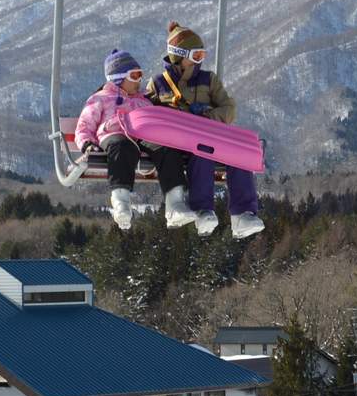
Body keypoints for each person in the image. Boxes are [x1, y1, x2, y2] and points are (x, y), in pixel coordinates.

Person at [144, 23, 263, 238]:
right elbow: (148, 115)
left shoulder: (209, 80)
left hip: (207, 136)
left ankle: (244, 214)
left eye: (202, 54)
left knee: (238, 154)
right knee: (203, 152)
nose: (200, 60)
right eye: (196, 55)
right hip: (176, 143)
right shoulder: (158, 83)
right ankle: (203, 209)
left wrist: (208, 118)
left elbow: (229, 108)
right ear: (178, 56)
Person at [74, 48, 195, 231]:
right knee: (122, 147)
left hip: (143, 136)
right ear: (118, 77)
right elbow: (84, 125)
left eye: (140, 75)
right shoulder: (100, 99)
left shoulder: (145, 99)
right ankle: (121, 201)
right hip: (115, 134)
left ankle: (175, 204)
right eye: (135, 75)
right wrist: (87, 144)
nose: (139, 80)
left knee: (166, 149)